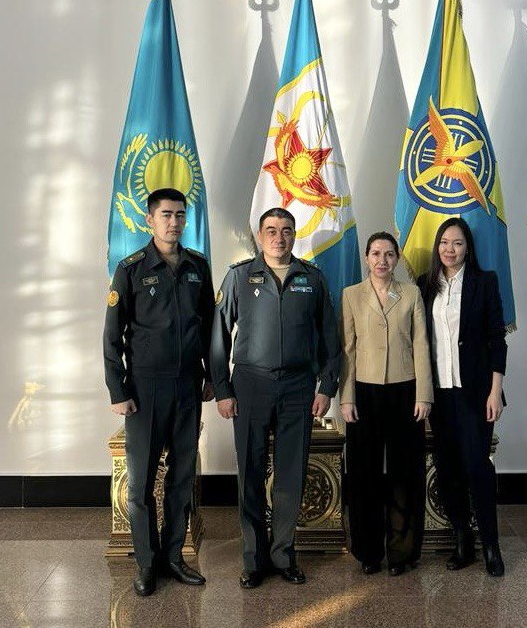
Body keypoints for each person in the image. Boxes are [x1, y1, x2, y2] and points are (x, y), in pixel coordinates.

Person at [210, 207, 341, 589]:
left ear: (294, 234)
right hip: (250, 385)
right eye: (271, 230)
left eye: (285, 231)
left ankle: (284, 555)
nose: (278, 238)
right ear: (259, 235)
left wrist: (326, 387)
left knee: (291, 473)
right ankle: (253, 559)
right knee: (250, 473)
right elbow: (218, 337)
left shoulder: (312, 278)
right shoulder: (239, 276)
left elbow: (330, 340)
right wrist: (222, 389)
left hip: (298, 387)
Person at [103, 187, 215, 596]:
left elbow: (210, 328)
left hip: (187, 386)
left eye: (180, 215)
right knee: (141, 484)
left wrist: (213, 378)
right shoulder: (131, 269)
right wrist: (118, 389)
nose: (174, 222)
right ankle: (147, 563)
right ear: (149, 219)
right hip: (145, 389)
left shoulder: (197, 266)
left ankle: (173, 557)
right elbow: (112, 336)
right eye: (166, 214)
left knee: (182, 478)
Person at [339, 232, 433, 577]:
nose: (382, 260)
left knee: (404, 473)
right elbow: (347, 349)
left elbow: (421, 344)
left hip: (405, 391)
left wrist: (424, 394)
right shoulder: (351, 295)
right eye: (376, 253)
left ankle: (402, 552)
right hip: (363, 393)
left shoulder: (411, 293)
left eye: (389, 254)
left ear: (396, 259)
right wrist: (346, 397)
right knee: (363, 473)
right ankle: (368, 550)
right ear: (367, 258)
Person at [417, 217, 507, 577]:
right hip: (438, 394)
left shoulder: (485, 282)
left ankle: (491, 545)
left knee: (477, 467)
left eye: (457, 243)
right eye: (444, 242)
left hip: (476, 392)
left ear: (468, 248)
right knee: (449, 467)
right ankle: (462, 540)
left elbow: (497, 339)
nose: (449, 249)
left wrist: (495, 391)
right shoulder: (424, 285)